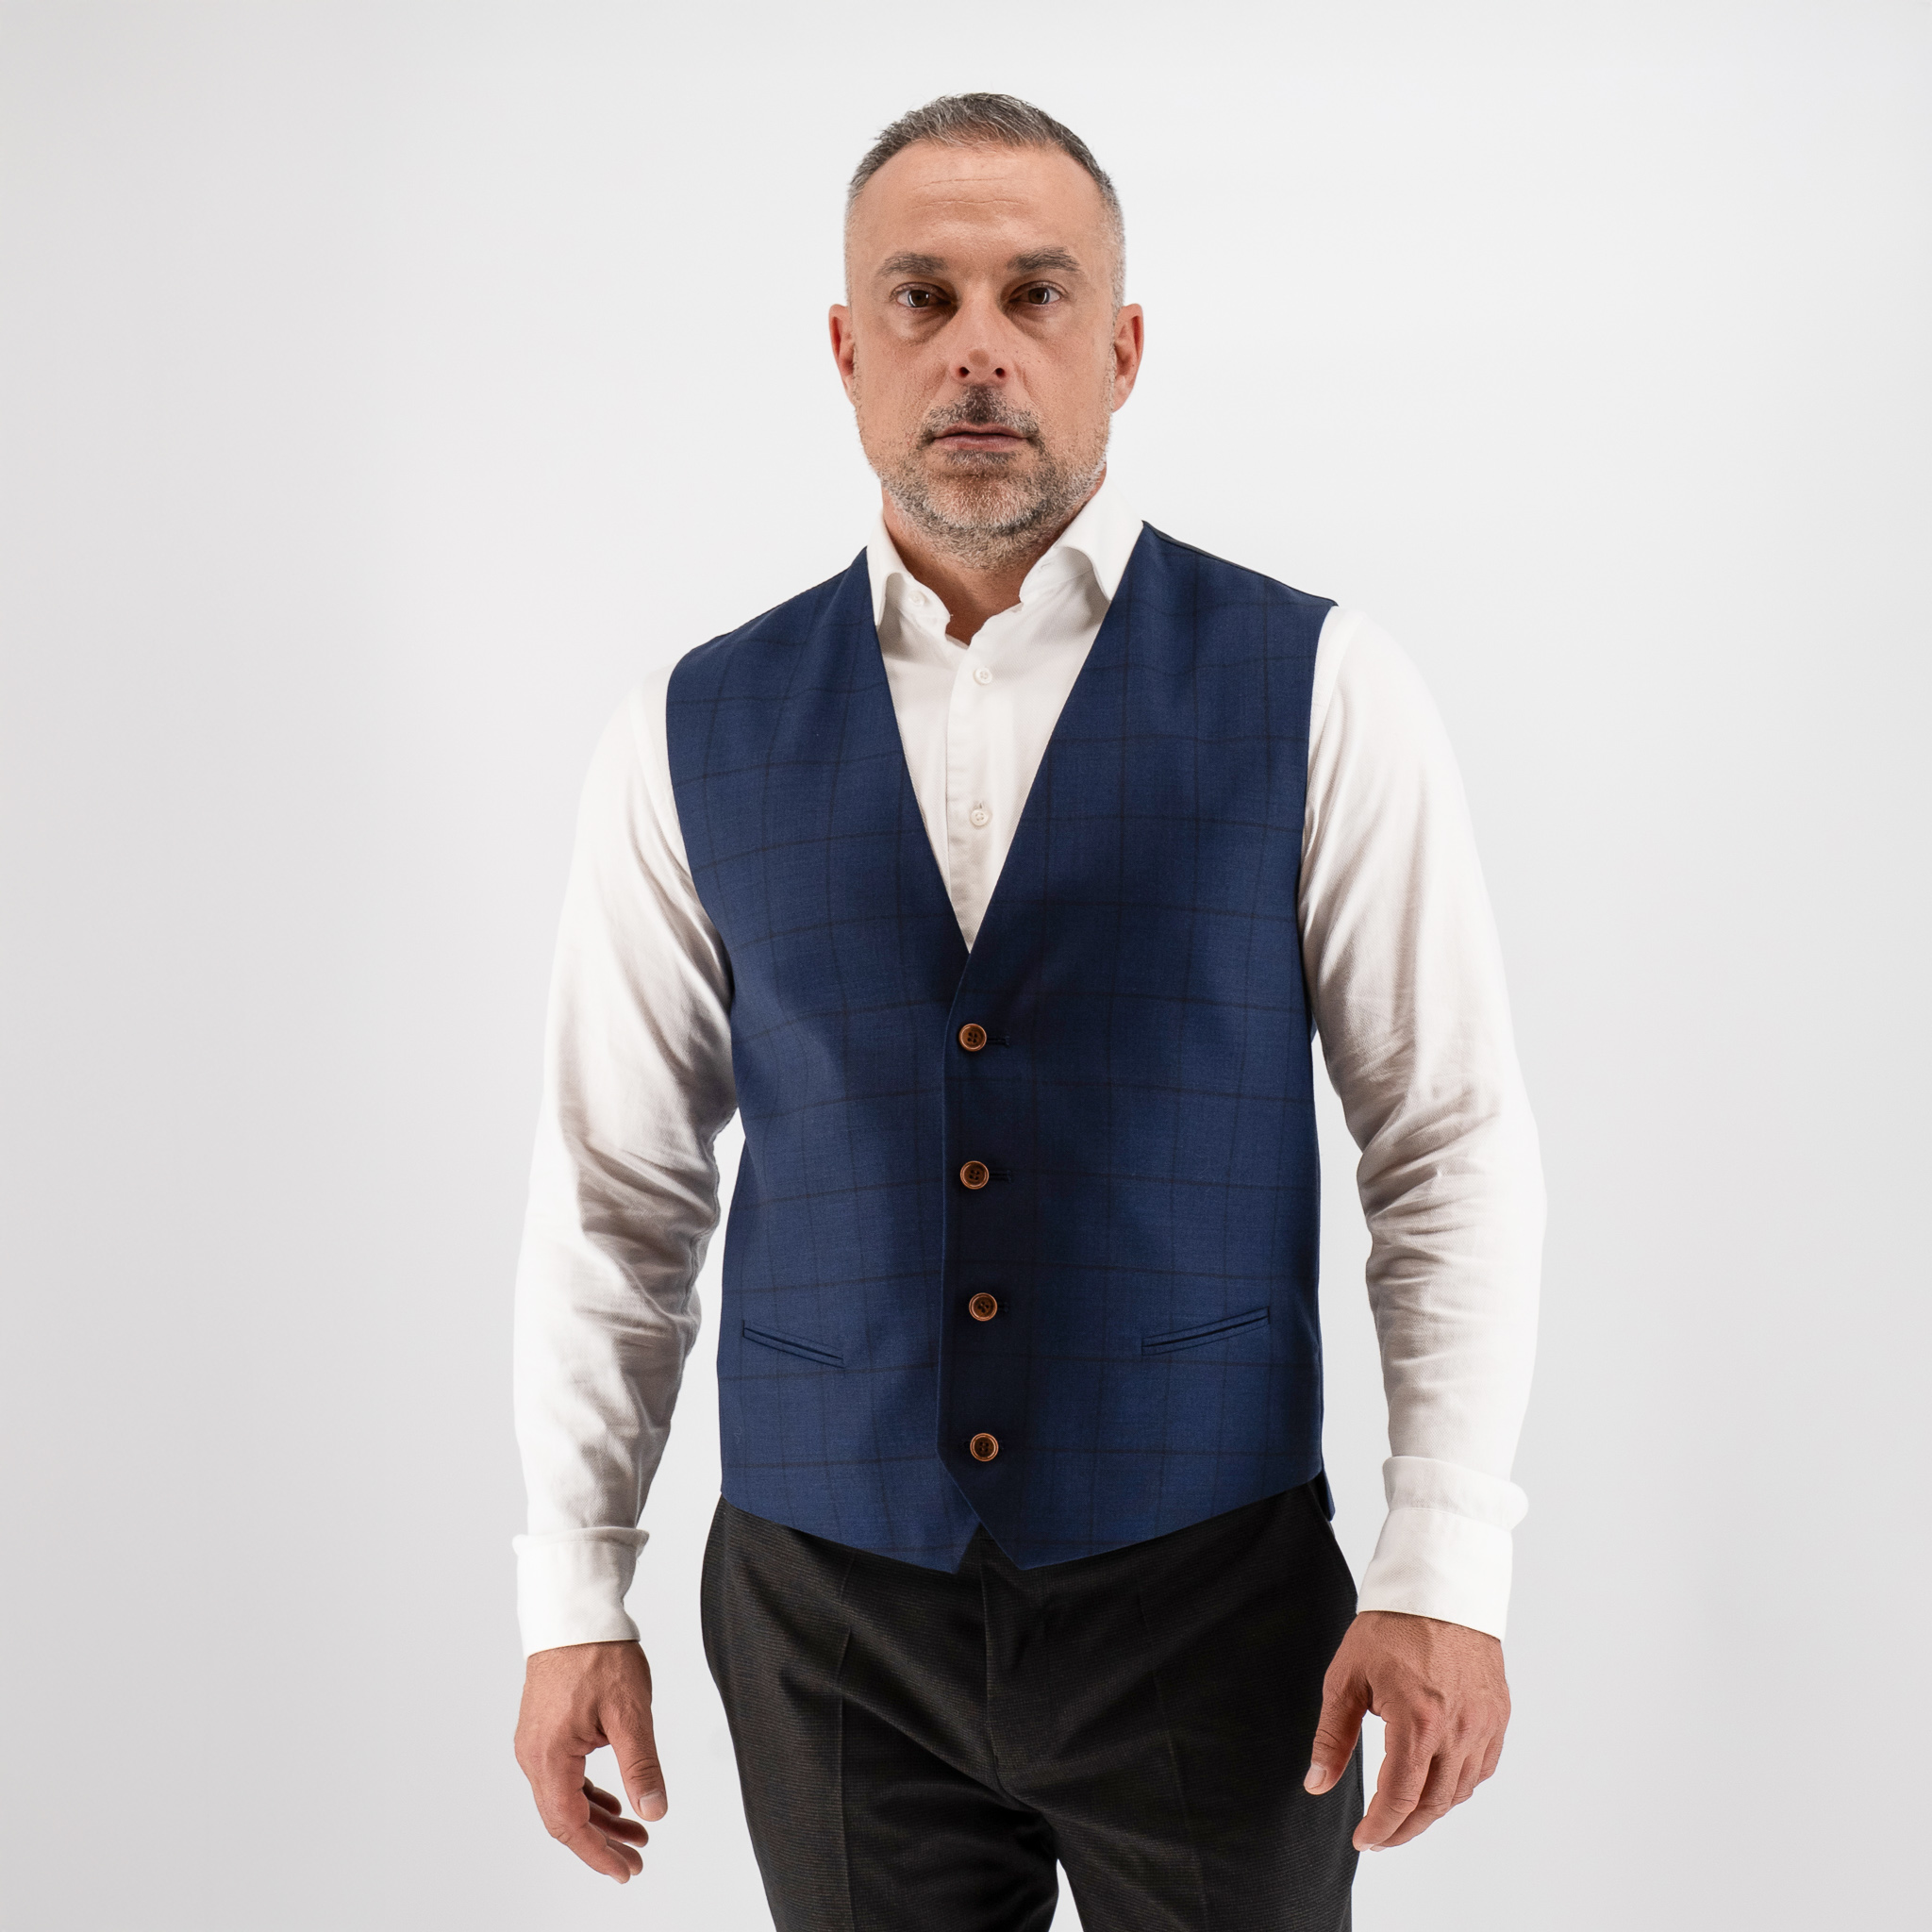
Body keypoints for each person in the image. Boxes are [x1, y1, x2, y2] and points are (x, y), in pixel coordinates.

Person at [509, 92, 1542, 1932]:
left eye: (1035, 295)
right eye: (921, 297)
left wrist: (1443, 1560)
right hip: (827, 1616)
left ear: (1120, 349)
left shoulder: (1321, 686)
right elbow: (617, 1187)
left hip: (1215, 1600)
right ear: (848, 350)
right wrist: (573, 1591)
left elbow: (1444, 1143)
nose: (976, 346)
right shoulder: (687, 728)